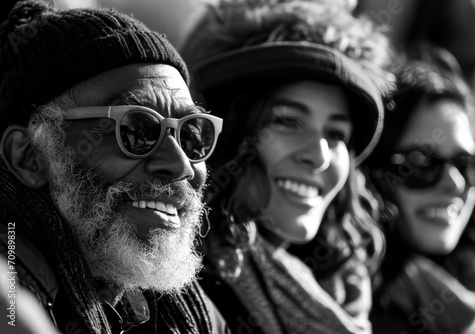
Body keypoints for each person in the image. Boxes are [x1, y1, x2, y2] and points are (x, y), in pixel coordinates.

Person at [0, 1, 228, 333]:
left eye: (192, 135)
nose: (181, 165)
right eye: (137, 130)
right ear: (29, 156)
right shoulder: (10, 299)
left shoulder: (189, 315)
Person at [181, 1, 394, 333]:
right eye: (288, 121)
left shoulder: (353, 288)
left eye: (337, 133)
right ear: (221, 136)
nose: (319, 156)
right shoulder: (180, 295)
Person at [366, 45, 475, 334]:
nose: (456, 183)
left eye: (467, 164)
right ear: (372, 172)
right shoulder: (346, 307)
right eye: (421, 162)